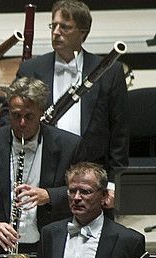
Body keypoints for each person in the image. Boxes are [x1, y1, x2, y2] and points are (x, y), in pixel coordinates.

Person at [12, 0, 129, 188]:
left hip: (93, 174)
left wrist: (114, 184)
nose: (56, 32)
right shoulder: (31, 68)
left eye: (64, 27)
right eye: (54, 25)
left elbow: (119, 134)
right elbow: (7, 116)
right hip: (42, 170)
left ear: (83, 32)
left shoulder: (110, 71)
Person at [0, 77, 81, 255]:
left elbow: (86, 192)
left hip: (50, 249)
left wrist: (49, 195)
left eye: (29, 116)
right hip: (0, 247)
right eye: (16, 115)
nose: (22, 123)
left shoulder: (69, 145)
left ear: (41, 112)